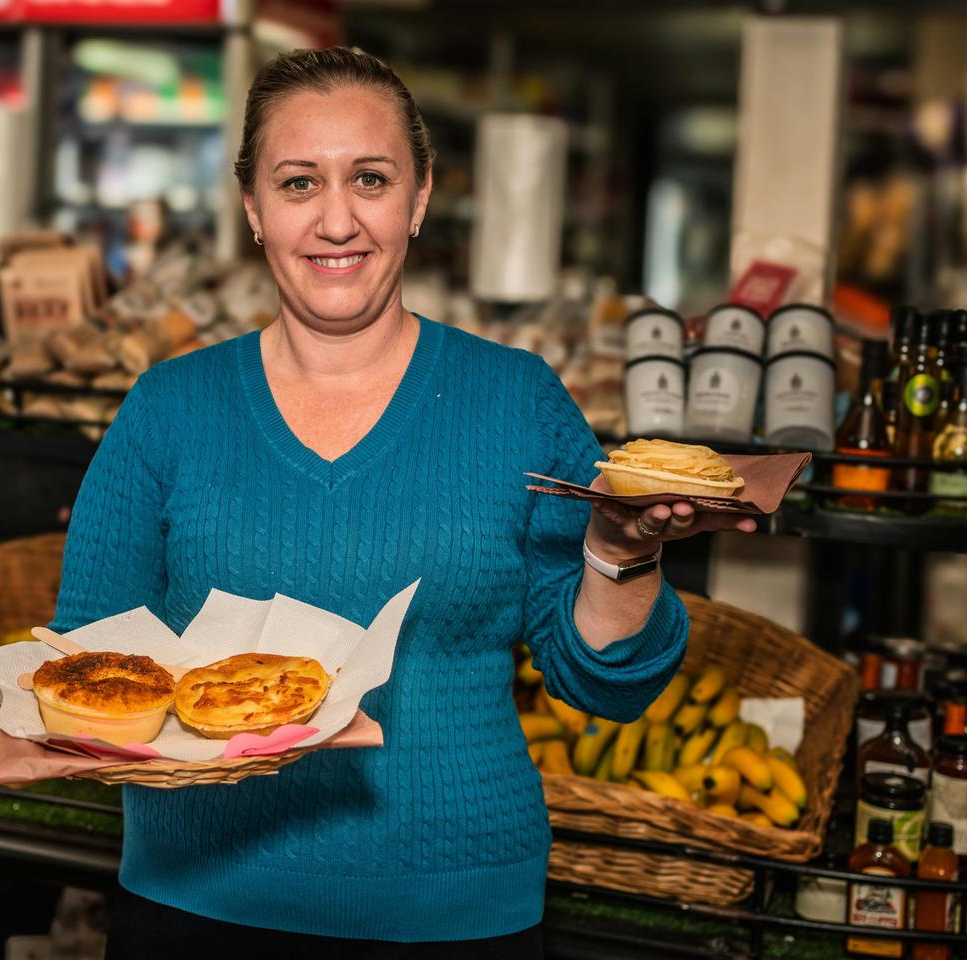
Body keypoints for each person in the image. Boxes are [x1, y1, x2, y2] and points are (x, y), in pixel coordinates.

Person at [53, 46, 756, 960]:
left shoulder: (517, 401)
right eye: (298, 182)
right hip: (200, 899)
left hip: (458, 911)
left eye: (371, 179)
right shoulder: (168, 408)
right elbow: (90, 667)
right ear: (253, 209)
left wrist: (623, 551)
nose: (336, 219)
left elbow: (604, 684)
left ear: (418, 199)